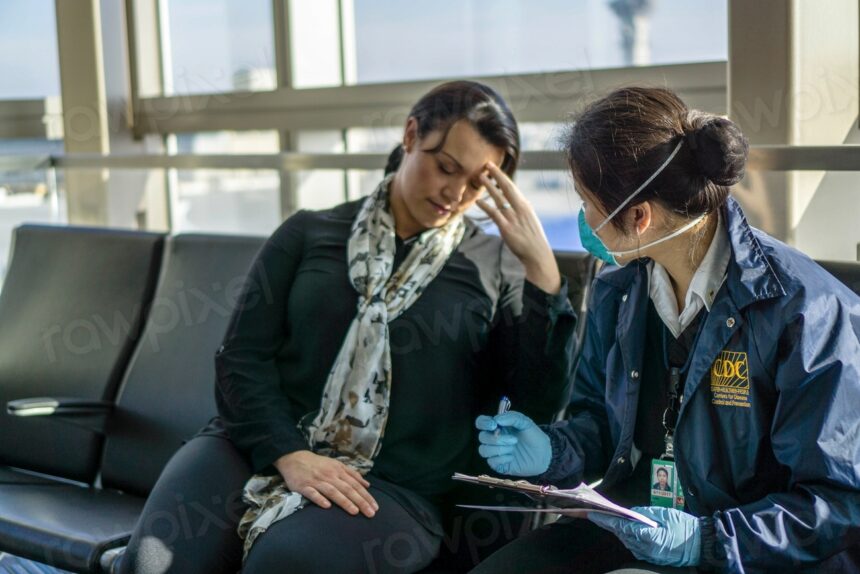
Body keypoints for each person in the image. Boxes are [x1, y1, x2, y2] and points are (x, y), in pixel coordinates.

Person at [118, 80, 577, 574]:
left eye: (477, 185)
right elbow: (240, 359)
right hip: (256, 444)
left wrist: (543, 275)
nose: (456, 193)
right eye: (446, 167)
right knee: (151, 563)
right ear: (409, 135)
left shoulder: (497, 270)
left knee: (286, 563)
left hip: (393, 486)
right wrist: (289, 454)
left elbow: (534, 405)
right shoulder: (309, 232)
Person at [472, 87, 860, 573]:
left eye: (586, 202)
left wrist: (706, 541)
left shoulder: (804, 311)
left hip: (742, 551)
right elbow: (599, 426)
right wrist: (552, 450)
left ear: (638, 217)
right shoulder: (618, 291)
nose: (583, 219)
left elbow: (838, 503)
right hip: (632, 525)